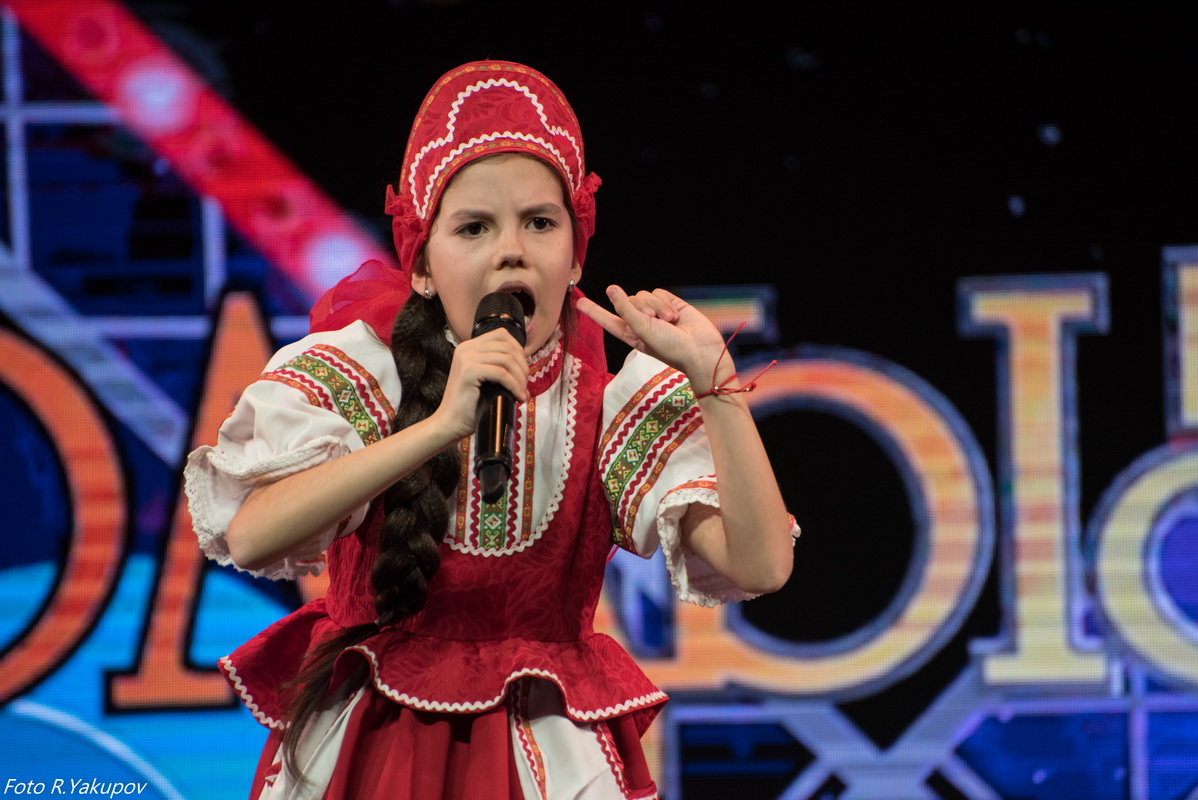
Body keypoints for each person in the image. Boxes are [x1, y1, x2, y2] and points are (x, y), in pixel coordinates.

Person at [185, 60, 798, 800]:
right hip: (371, 752)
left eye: (540, 223)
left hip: (546, 758)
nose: (512, 249)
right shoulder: (364, 373)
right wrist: (440, 426)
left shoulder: (607, 401)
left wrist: (714, 383)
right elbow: (252, 536)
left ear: (575, 253)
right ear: (421, 265)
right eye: (474, 227)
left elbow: (760, 566)